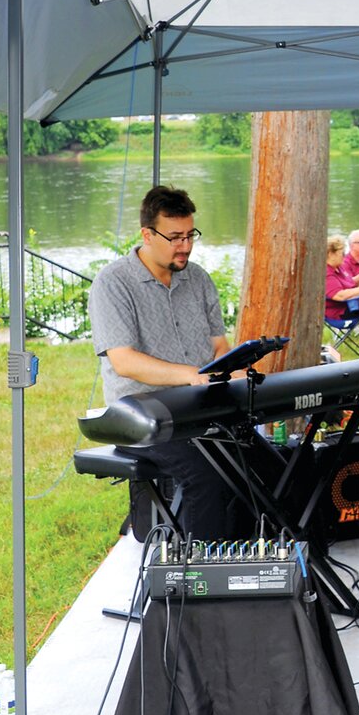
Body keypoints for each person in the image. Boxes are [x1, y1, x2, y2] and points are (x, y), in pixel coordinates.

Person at [88, 184, 247, 540]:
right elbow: (124, 361)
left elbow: (219, 345)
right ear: (147, 234)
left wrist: (234, 366)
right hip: (138, 417)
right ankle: (202, 578)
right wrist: (190, 375)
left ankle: (259, 557)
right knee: (205, 475)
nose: (186, 246)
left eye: (190, 235)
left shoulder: (199, 279)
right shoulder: (113, 283)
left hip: (199, 407)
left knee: (266, 462)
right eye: (175, 237)